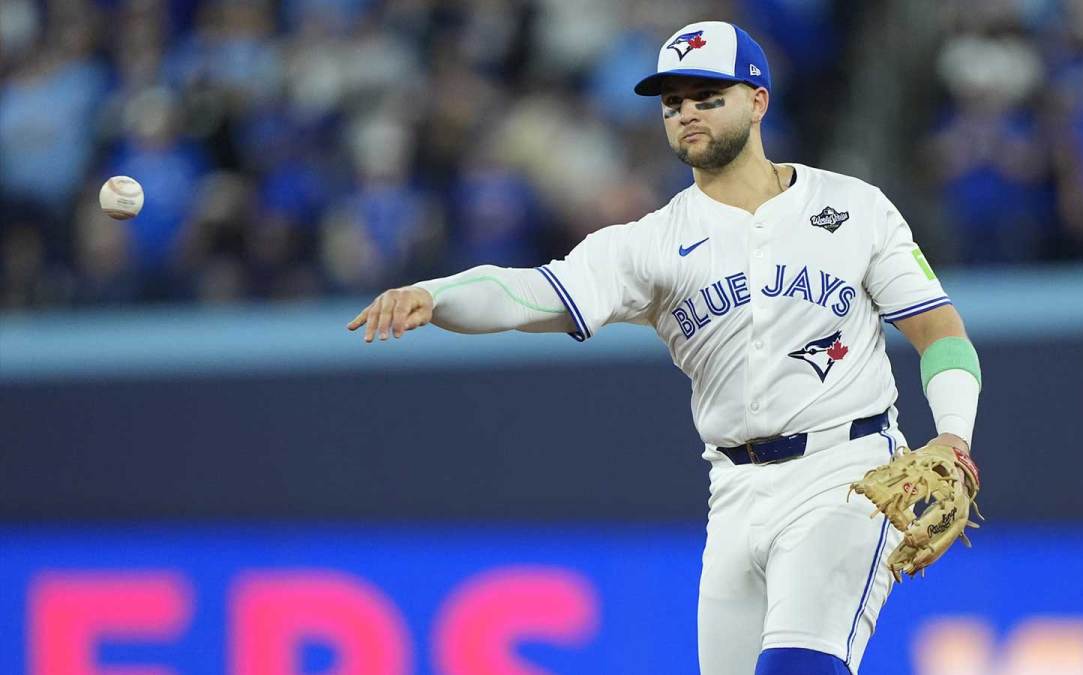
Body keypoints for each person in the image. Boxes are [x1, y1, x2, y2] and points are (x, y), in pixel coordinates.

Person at [347, 21, 982, 675]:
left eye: (707, 95)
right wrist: (436, 294)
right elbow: (532, 293)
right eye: (673, 101)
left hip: (846, 471)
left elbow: (940, 330)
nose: (686, 112)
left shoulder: (853, 208)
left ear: (758, 100)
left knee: (799, 665)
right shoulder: (650, 243)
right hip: (734, 490)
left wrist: (953, 437)